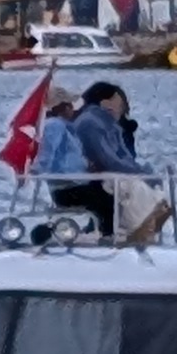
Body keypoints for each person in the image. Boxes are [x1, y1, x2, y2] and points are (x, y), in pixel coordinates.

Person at [39, 82, 148, 237]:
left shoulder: (66, 127)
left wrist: (86, 165)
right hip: (66, 187)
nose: (73, 108)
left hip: (73, 183)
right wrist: (36, 169)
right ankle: (108, 235)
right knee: (106, 200)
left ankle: (101, 231)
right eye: (69, 105)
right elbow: (46, 154)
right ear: (61, 108)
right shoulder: (55, 126)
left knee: (106, 194)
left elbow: (72, 157)